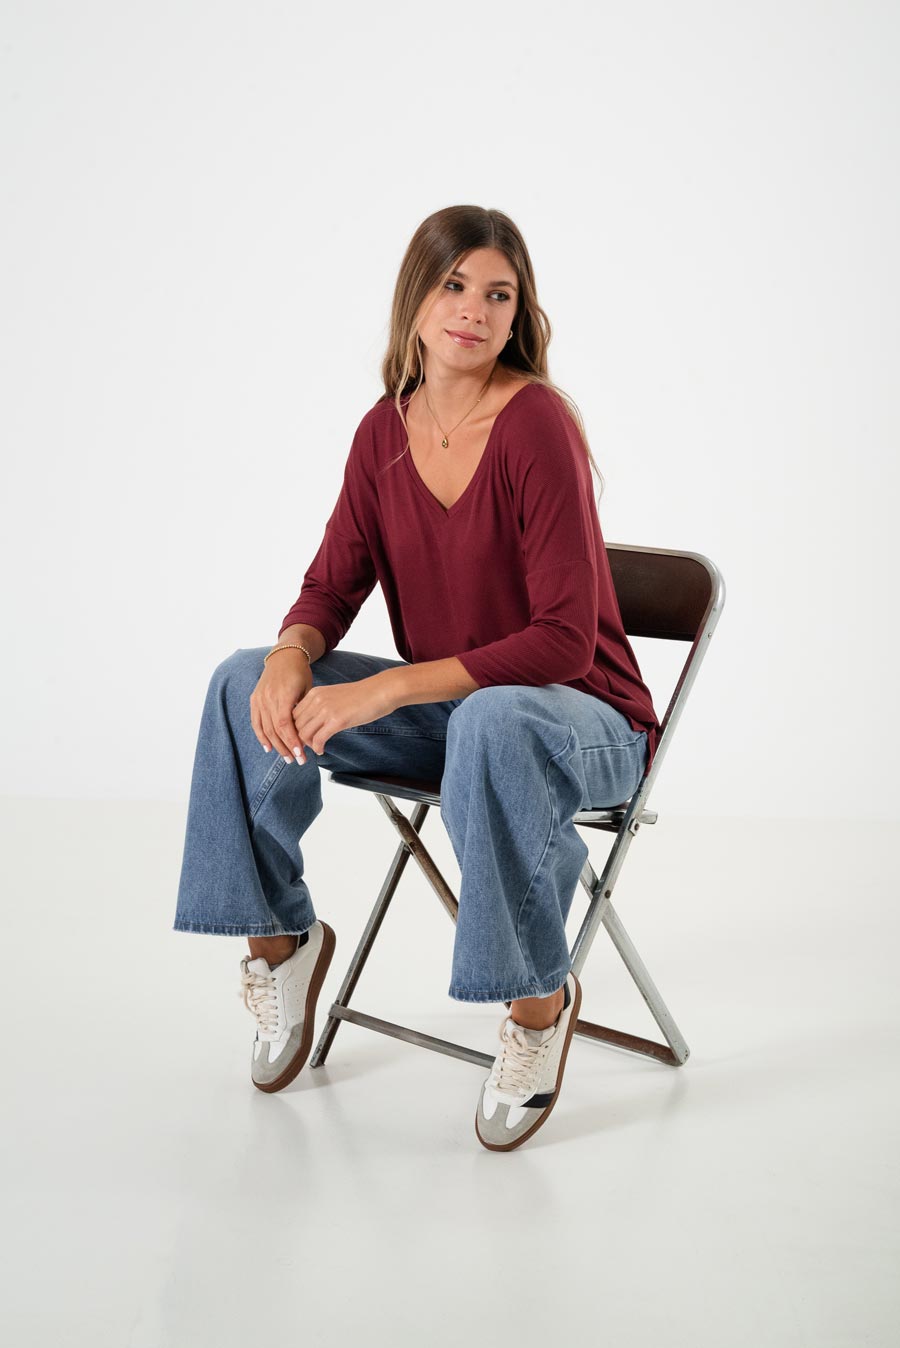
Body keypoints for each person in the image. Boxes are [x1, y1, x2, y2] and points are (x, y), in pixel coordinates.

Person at [173, 204, 661, 1152]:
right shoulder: (381, 434)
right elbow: (331, 585)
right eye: (454, 285)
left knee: (495, 722)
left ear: (519, 317)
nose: (474, 310)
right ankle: (282, 945)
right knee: (242, 682)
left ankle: (538, 1004)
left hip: (587, 724)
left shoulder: (535, 424)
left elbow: (565, 644)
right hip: (465, 717)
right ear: (416, 297)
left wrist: (389, 687)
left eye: (499, 295)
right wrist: (290, 654)